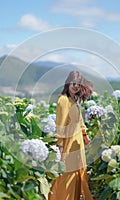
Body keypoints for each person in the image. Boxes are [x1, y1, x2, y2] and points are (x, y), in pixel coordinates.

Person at [48, 71, 93, 200]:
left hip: (77, 142)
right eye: (73, 83)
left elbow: (80, 120)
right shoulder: (63, 100)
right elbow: (60, 124)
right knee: (66, 176)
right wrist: (60, 147)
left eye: (78, 84)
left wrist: (85, 135)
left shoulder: (74, 100)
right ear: (67, 84)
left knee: (77, 174)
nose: (75, 86)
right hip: (68, 142)